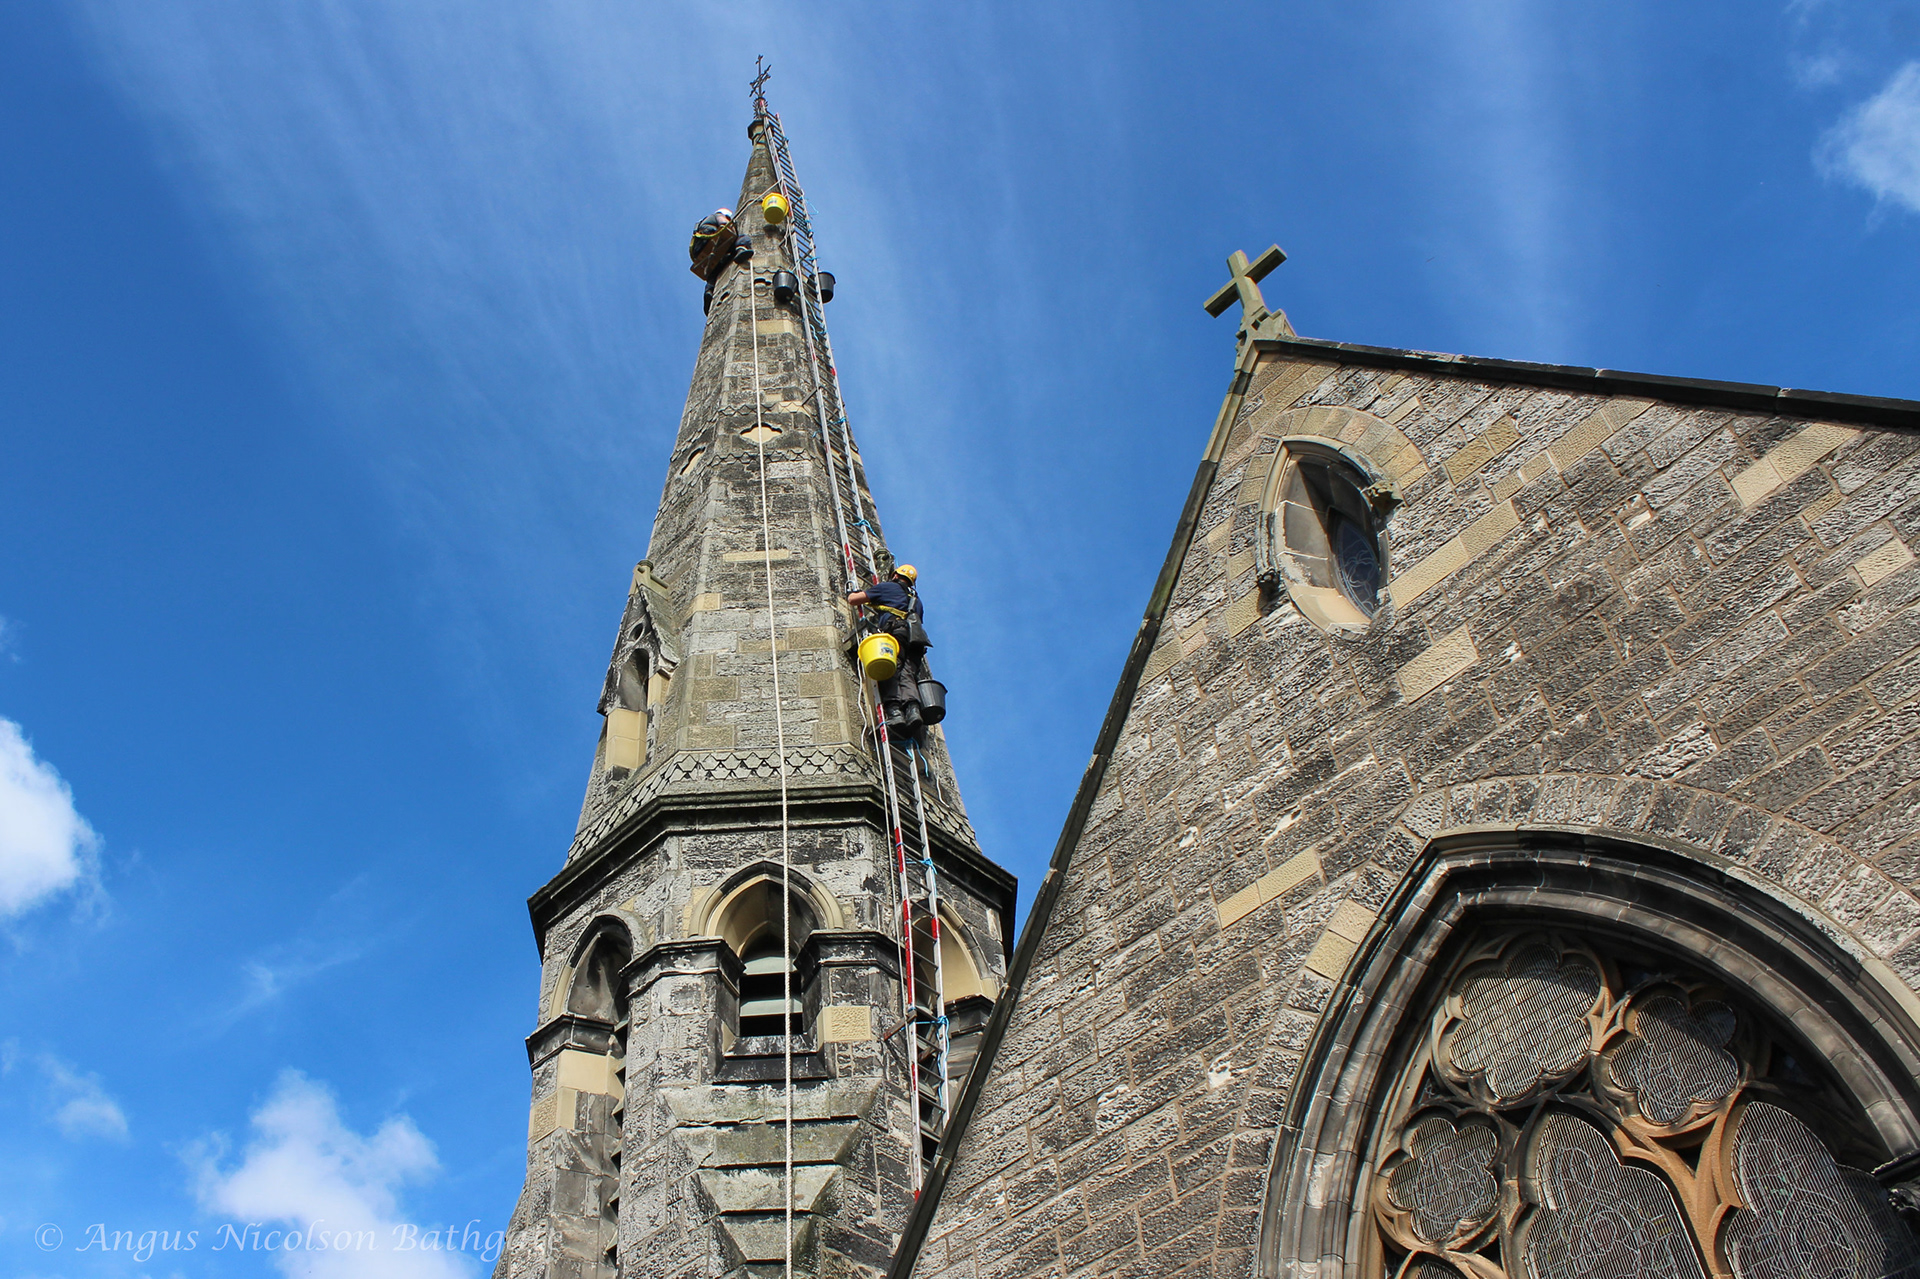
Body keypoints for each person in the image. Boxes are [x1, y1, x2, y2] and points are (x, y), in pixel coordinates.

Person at [849, 565, 930, 739]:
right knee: (907, 674)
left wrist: (853, 592)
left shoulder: (888, 587)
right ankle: (913, 710)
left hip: (896, 633)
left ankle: (895, 713)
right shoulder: (917, 600)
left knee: (891, 670)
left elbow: (854, 600)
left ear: (895, 575)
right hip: (916, 641)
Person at [689, 208, 754, 313]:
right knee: (741, 237)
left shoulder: (702, 222)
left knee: (715, 269)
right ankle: (741, 248)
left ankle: (709, 291)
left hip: (700, 248)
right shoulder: (718, 216)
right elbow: (723, 223)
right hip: (710, 237)